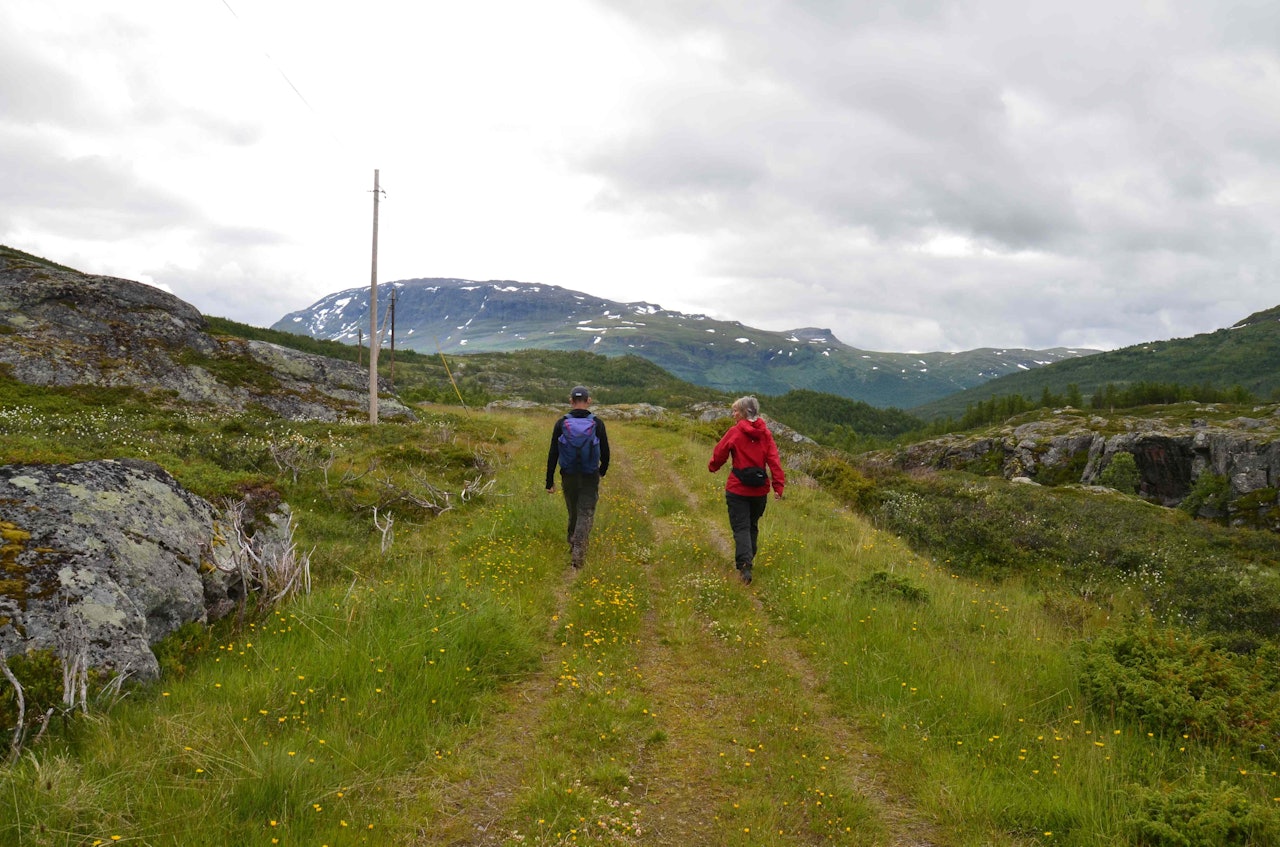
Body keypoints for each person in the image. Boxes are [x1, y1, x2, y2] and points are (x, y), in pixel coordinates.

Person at [708, 396, 784, 584]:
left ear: (743, 413)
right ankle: (748, 558)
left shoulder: (734, 432)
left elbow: (720, 452)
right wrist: (778, 485)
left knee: (741, 527)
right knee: (751, 526)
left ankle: (745, 566)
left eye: (735, 411)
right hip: (760, 491)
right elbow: (774, 460)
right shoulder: (765, 434)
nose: (733, 414)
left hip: (737, 489)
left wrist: (713, 467)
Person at [546, 385, 610, 569]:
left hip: (568, 474)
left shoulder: (561, 423)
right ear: (589, 400)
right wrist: (602, 470)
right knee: (585, 511)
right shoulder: (597, 423)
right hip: (590, 474)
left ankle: (572, 542)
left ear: (571, 401)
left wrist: (549, 481)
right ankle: (579, 551)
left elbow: (553, 453)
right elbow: (605, 451)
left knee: (573, 510)